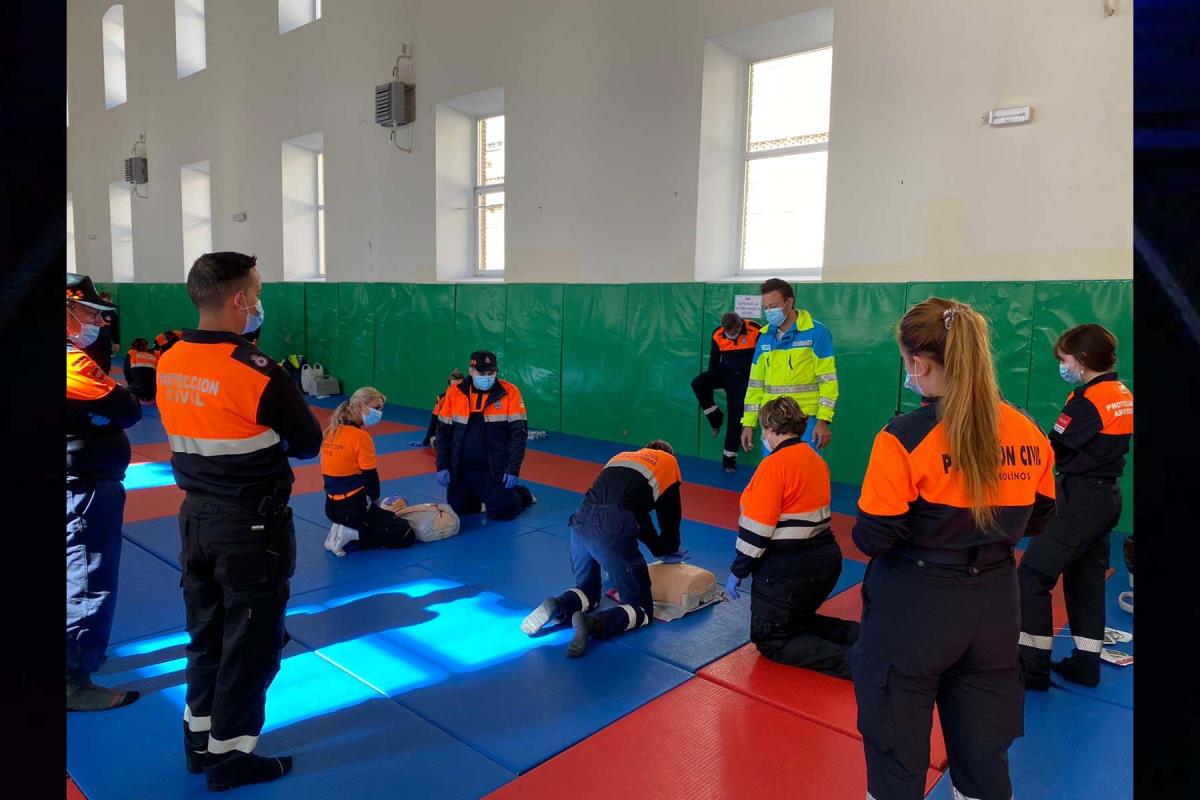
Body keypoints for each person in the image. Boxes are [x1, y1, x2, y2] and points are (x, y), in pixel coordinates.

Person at [850, 298, 1057, 800]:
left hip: (915, 607)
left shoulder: (902, 437)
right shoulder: (1028, 430)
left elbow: (873, 536)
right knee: (985, 753)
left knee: (896, 748)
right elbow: (1041, 516)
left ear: (919, 363)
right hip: (994, 606)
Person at [156, 252, 322, 792]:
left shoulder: (170, 359)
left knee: (206, 636)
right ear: (240, 300)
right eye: (258, 292)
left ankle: (199, 743)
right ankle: (230, 759)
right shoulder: (255, 371)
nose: (259, 302)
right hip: (250, 527)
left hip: (195, 520)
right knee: (251, 644)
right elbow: (308, 443)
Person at [1019, 324, 1133, 689]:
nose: (1063, 365)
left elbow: (1055, 446)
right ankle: (1086, 664)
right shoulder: (1121, 393)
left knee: (1032, 575)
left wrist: (1024, 429)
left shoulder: (1089, 401)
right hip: (1106, 496)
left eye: (1064, 359)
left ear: (1082, 359)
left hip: (1080, 499)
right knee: (1086, 581)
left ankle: (1031, 667)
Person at [723, 397, 859, 678]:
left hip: (789, 573)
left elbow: (757, 530)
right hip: (825, 566)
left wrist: (738, 571)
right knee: (798, 623)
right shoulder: (815, 460)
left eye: (763, 430)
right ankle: (871, 638)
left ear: (771, 428)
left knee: (771, 639)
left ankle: (863, 666)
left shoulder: (774, 466)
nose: (763, 436)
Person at [521, 441, 691, 657]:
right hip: (611, 527)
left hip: (581, 520)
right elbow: (670, 515)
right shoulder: (668, 463)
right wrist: (670, 547)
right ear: (670, 455)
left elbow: (639, 516)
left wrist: (659, 550)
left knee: (588, 591)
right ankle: (591, 623)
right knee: (641, 608)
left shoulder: (623, 457)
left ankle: (558, 605)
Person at [66, 273, 143, 711]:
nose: (98, 322)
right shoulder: (69, 362)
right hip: (82, 486)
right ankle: (73, 679)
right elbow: (126, 408)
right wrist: (106, 413)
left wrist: (101, 414)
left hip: (82, 479)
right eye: (90, 313)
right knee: (86, 575)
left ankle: (78, 654)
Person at [740, 278, 838, 456]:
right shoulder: (764, 337)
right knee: (773, 470)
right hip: (771, 423)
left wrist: (823, 419)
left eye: (773, 306)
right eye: (766, 308)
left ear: (789, 302)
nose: (769, 311)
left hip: (805, 423)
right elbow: (755, 385)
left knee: (803, 470)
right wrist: (748, 423)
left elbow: (828, 381)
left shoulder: (817, 333)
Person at [434, 351, 535, 520]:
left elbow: (518, 435)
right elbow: (443, 433)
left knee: (502, 513)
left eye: (491, 373)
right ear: (471, 371)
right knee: (462, 510)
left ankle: (521, 494)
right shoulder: (454, 393)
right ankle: (479, 497)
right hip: (462, 469)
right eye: (482, 373)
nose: (487, 377)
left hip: (494, 468)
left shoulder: (510, 392)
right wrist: (442, 465)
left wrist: (513, 469)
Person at [321, 386, 415, 556]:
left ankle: (342, 526)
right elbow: (370, 476)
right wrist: (374, 502)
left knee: (385, 518)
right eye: (376, 408)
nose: (379, 413)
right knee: (404, 533)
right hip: (354, 508)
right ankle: (353, 534)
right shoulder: (360, 437)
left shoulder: (331, 431)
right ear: (359, 406)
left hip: (332, 508)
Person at [692, 312, 762, 472]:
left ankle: (729, 459)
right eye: (727, 333)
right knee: (698, 383)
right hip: (725, 372)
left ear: (739, 325)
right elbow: (713, 364)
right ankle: (715, 418)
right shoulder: (718, 334)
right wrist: (712, 379)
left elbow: (762, 358)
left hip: (744, 379)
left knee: (735, 419)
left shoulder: (755, 330)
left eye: (733, 332)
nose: (730, 335)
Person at [412, 368, 465, 448]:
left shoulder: (467, 399)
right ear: (448, 387)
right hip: (446, 432)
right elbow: (434, 420)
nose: (456, 390)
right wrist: (426, 441)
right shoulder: (441, 398)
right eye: (453, 387)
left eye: (459, 386)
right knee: (440, 442)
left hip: (462, 433)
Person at [83, 291, 120, 373]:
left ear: (110, 301)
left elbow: (115, 328)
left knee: (105, 368)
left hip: (105, 345)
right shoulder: (91, 312)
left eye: (107, 302)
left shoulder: (112, 314)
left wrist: (116, 342)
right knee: (91, 367)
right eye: (103, 302)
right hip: (92, 344)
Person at [125, 337, 158, 403]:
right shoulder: (153, 357)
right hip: (152, 392)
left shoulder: (131, 354)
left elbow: (126, 372)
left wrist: (131, 384)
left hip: (137, 389)